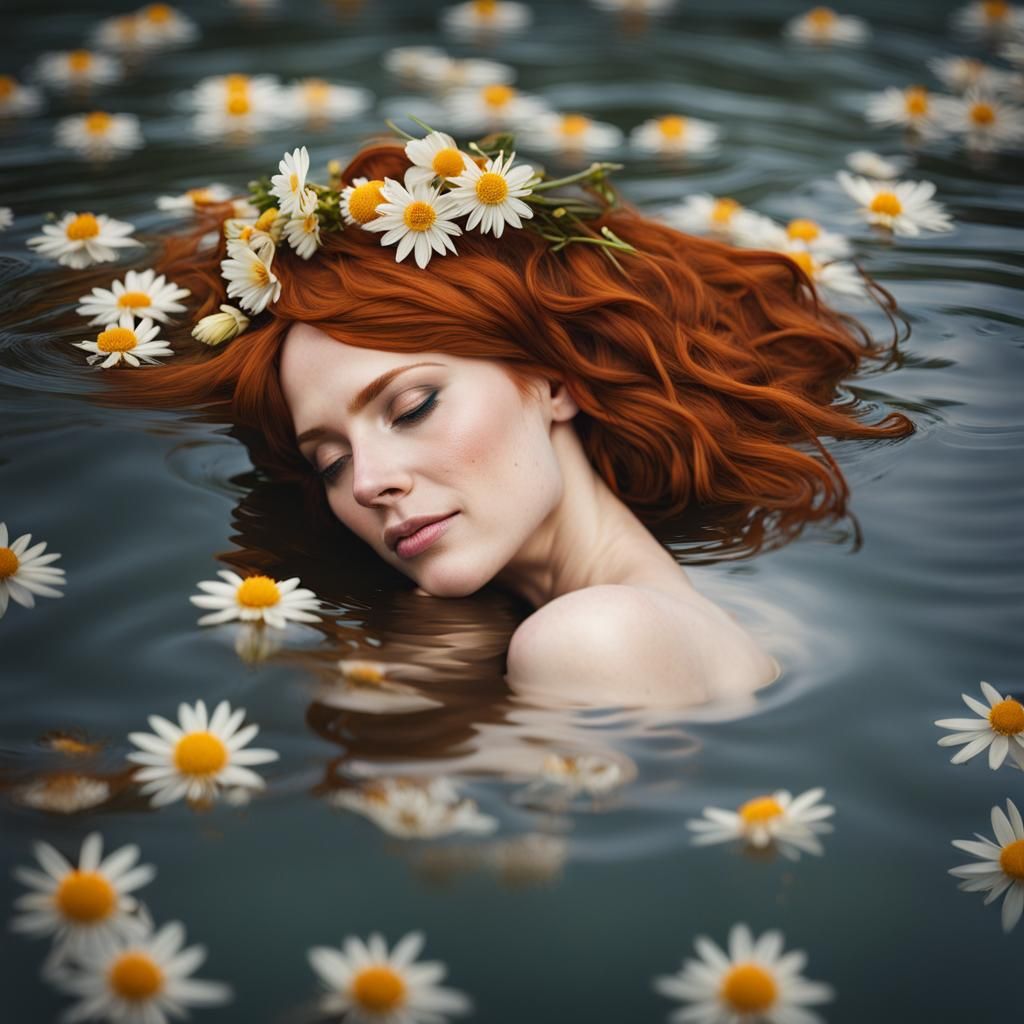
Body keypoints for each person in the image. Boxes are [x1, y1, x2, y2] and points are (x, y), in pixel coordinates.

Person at [106, 136, 914, 708]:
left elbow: (474, 872)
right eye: (330, 462)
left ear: (554, 382)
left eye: (412, 405)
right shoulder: (657, 612)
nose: (372, 481)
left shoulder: (593, 637)